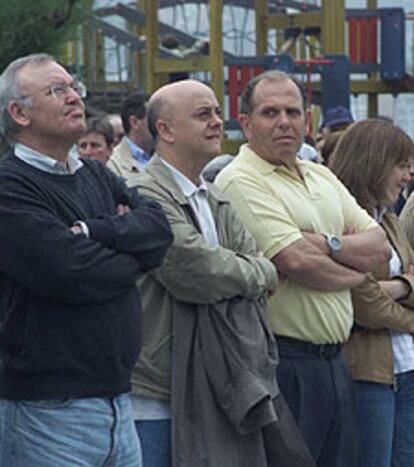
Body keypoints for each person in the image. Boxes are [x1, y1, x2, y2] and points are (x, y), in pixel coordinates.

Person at [128, 79, 315, 467]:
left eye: (216, 111)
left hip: (220, 383)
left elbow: (246, 262)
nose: (216, 122)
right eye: (202, 115)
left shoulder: (214, 196)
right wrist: (259, 273)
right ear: (164, 130)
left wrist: (252, 270)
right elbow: (198, 273)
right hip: (161, 394)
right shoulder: (144, 194)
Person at [0, 53, 173, 467]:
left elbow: (159, 232)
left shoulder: (95, 175)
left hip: (118, 403)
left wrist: (95, 232)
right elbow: (69, 271)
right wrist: (134, 257)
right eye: (56, 90)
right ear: (18, 113)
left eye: (74, 87)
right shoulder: (10, 186)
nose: (74, 97)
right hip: (47, 414)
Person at [215, 70, 391, 467]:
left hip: (336, 362)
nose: (284, 121)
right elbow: (294, 260)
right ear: (245, 123)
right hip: (284, 364)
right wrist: (353, 266)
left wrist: (325, 243)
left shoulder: (321, 174)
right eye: (270, 112)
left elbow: (380, 247)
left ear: (307, 122)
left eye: (293, 112)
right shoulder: (240, 181)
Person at [329, 119, 414, 467]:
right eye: (401, 165)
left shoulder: (390, 219)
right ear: (374, 163)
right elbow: (363, 304)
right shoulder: (341, 220)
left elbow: (374, 294)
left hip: (407, 365)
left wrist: (394, 287)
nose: (408, 175)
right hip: (369, 372)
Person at [107, 92, 154, 183]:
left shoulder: (166, 156)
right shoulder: (113, 164)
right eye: (152, 118)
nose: (159, 124)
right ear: (134, 122)